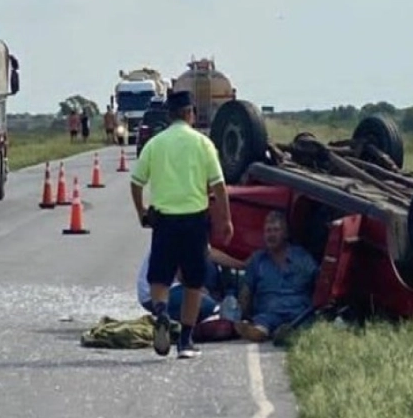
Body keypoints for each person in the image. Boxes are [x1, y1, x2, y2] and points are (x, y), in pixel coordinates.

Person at [130, 89, 234, 359]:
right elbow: (219, 186)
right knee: (193, 282)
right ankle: (186, 341)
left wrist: (141, 211)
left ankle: (161, 312)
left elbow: (136, 182)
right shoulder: (203, 144)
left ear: (168, 115)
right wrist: (225, 220)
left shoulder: (155, 144)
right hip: (194, 220)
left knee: (159, 276)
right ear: (190, 114)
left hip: (164, 220)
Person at [235, 211, 319, 343]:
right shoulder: (258, 260)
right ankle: (263, 333)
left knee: (303, 326)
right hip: (269, 313)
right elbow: (246, 292)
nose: (271, 235)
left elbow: (319, 282)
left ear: (285, 234)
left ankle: (287, 333)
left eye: (276, 230)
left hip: (298, 312)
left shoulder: (302, 257)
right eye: (268, 231)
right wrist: (241, 316)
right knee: (260, 328)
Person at [135, 244, 247, 323]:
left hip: (178, 283)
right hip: (156, 294)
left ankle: (219, 299)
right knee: (206, 306)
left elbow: (209, 252)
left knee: (209, 265)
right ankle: (165, 317)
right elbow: (179, 269)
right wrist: (197, 289)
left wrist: (242, 265)